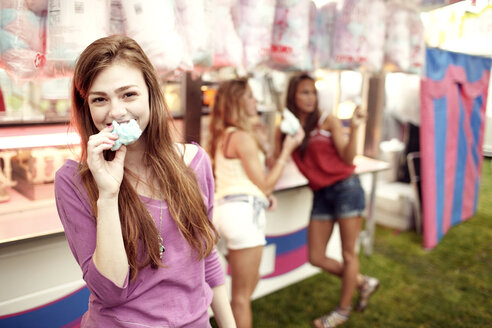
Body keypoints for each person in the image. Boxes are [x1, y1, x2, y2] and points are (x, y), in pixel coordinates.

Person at [54, 35, 236, 328]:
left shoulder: (195, 162)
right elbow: (111, 291)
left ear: (151, 93)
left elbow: (206, 253)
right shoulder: (74, 182)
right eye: (100, 99)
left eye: (128, 94)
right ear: (86, 106)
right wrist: (108, 194)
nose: (116, 112)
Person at [284, 73, 379, 328]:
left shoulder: (327, 120)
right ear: (292, 95)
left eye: (312, 92)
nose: (310, 97)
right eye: (304, 92)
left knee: (349, 253)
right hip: (321, 194)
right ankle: (361, 282)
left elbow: (348, 159)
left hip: (346, 188)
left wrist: (356, 127)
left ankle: (342, 312)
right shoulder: (290, 128)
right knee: (315, 257)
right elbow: (278, 157)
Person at [208, 78, 304, 328]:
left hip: (224, 213)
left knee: (246, 288)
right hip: (243, 216)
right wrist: (288, 149)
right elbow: (266, 183)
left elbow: (248, 179)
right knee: (241, 298)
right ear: (238, 102)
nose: (256, 101)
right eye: (250, 96)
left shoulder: (227, 135)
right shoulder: (241, 137)